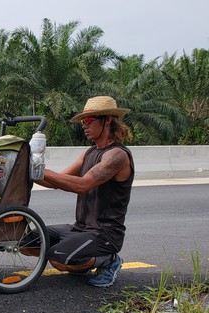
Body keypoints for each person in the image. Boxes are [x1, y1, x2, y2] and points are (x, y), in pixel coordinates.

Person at [36, 96, 135, 287]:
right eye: (83, 121)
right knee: (28, 241)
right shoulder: (89, 153)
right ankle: (82, 258)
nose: (83, 125)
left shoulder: (117, 156)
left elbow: (82, 185)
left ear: (107, 120)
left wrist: (42, 170)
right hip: (80, 228)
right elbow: (57, 181)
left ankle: (108, 260)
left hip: (104, 234)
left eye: (88, 120)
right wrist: (30, 172)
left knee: (57, 259)